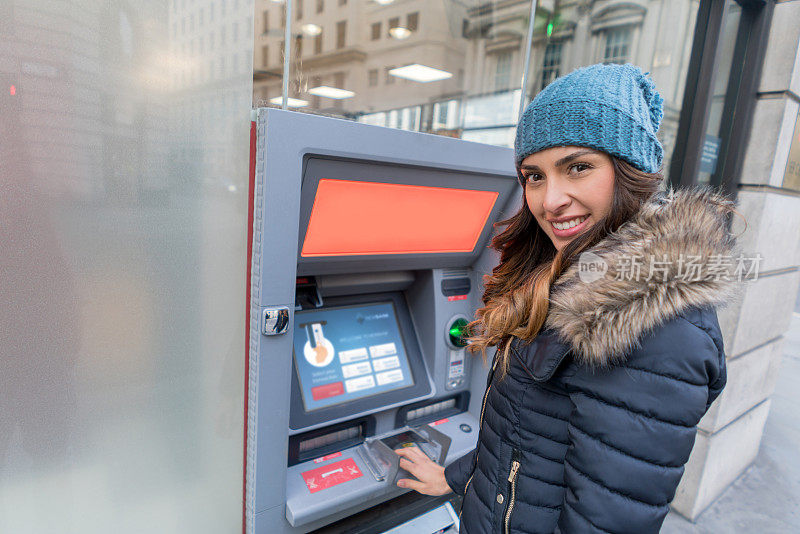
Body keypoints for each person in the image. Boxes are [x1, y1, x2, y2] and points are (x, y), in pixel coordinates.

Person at [393, 62, 742, 533]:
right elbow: (524, 439)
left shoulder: (656, 328)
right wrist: (455, 477)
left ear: (631, 172)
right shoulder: (569, 273)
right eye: (534, 176)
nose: (549, 199)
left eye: (577, 167)